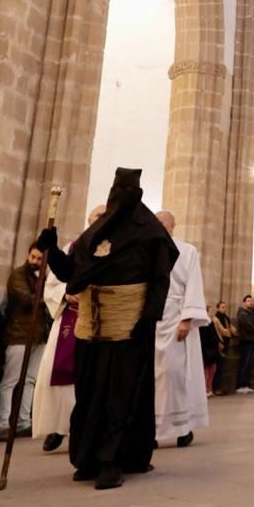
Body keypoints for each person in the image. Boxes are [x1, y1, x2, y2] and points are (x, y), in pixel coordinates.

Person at [40, 167, 177, 490]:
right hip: (91, 327)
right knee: (88, 393)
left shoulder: (151, 234)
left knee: (121, 395)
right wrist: (53, 249)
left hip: (129, 327)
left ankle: (113, 460)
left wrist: (149, 317)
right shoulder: (93, 234)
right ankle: (87, 457)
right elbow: (73, 274)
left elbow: (160, 279)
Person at [33, 206, 105, 453]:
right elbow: (53, 281)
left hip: (100, 320)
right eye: (95, 218)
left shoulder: (113, 248)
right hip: (70, 318)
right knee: (60, 376)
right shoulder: (73, 248)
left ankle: (88, 431)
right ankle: (57, 428)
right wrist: (66, 294)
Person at [153, 211, 210, 447]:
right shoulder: (147, 250)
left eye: (163, 223)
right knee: (151, 377)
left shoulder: (187, 251)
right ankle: (151, 429)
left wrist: (187, 318)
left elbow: (194, 284)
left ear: (173, 225)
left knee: (175, 374)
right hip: (152, 318)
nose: (159, 227)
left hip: (176, 317)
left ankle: (182, 427)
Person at [0, 244, 51, 440]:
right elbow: (26, 299)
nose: (34, 261)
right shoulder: (18, 275)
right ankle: (2, 424)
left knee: (30, 380)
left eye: (39, 259)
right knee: (11, 380)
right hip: (19, 334)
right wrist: (50, 297)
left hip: (39, 335)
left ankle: (23, 422)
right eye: (33, 257)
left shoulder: (45, 278)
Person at [235, 294, 254, 392]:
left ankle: (246, 384)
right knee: (244, 364)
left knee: (250, 364)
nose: (251, 302)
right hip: (246, 341)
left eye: (252, 301)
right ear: (244, 302)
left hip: (252, 341)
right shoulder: (242, 314)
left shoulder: (252, 314)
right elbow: (249, 326)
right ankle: (240, 385)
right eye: (249, 301)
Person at [210, 300, 233, 394]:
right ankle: (214, 388)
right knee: (217, 367)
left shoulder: (226, 318)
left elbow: (231, 328)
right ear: (218, 308)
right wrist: (230, 332)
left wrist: (232, 331)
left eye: (225, 307)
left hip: (226, 344)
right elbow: (223, 331)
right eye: (222, 307)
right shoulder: (216, 318)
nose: (224, 309)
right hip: (219, 344)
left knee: (221, 368)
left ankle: (219, 387)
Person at [199, 313, 220, 396]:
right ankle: (206, 389)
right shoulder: (205, 323)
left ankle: (208, 388)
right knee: (206, 370)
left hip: (210, 349)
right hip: (207, 349)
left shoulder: (208, 322)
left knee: (211, 370)